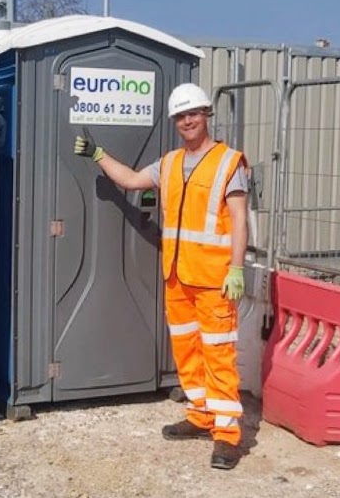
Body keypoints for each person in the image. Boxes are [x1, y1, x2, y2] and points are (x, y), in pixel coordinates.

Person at [74, 82, 248, 471]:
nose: (188, 121)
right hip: (177, 275)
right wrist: (99, 155)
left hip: (215, 278)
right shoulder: (169, 163)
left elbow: (239, 218)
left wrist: (237, 267)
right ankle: (201, 416)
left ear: (206, 115)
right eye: (181, 116)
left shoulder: (228, 162)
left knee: (218, 354)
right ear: (175, 122)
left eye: (194, 114)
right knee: (187, 351)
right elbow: (132, 180)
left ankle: (226, 436)